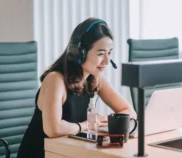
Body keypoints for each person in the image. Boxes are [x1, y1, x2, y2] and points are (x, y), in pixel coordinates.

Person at [17, 17, 137, 158]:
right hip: (42, 153)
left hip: (69, 152)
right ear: (79, 53)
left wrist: (106, 121)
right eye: (100, 54)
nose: (106, 61)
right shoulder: (55, 80)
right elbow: (53, 129)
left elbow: (128, 111)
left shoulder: (95, 79)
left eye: (109, 53)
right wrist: (87, 124)